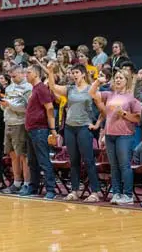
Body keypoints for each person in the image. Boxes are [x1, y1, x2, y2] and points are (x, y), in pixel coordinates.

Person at [47, 63, 102, 202]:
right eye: (72, 73)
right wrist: (50, 71)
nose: (74, 75)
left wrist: (97, 124)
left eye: (76, 72)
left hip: (84, 127)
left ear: (83, 74)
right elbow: (52, 87)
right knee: (74, 161)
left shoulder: (91, 89)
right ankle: (75, 190)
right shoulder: (70, 89)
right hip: (70, 128)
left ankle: (95, 191)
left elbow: (103, 109)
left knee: (88, 160)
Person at [90, 70, 142, 204]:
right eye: (116, 77)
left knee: (124, 165)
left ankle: (128, 195)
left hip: (124, 135)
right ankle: (117, 193)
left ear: (126, 80)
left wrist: (124, 114)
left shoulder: (131, 98)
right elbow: (91, 93)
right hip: (109, 134)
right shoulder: (109, 95)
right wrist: (98, 82)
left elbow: (137, 118)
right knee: (114, 166)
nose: (118, 80)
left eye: (121, 78)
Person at [21, 65, 57, 200]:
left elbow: (50, 108)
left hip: (40, 130)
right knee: (32, 161)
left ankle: (51, 190)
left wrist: (53, 129)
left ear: (36, 74)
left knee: (43, 160)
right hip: (31, 129)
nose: (26, 74)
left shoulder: (41, 88)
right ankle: (33, 187)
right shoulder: (34, 89)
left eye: (28, 72)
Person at [0, 66, 32, 194]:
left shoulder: (28, 87)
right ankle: (16, 182)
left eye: (14, 76)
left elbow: (26, 108)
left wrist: (10, 105)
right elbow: (7, 107)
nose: (12, 79)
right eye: (11, 77)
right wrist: (3, 106)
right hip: (8, 122)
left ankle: (26, 183)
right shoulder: (9, 88)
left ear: (22, 74)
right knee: (12, 154)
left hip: (20, 123)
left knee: (22, 155)